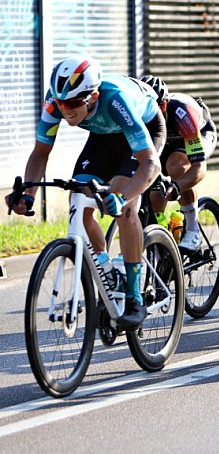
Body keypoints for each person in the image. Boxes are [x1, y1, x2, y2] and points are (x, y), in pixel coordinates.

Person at [5, 56, 165, 329]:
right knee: (79, 199)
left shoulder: (115, 100)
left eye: (73, 103)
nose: (65, 110)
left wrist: (123, 196)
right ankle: (106, 268)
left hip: (144, 130)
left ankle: (135, 297)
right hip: (104, 135)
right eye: (61, 103)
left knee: (125, 209)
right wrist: (28, 193)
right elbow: (41, 152)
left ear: (92, 97)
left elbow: (150, 163)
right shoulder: (56, 100)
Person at [140, 75, 217, 251]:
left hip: (199, 133)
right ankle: (162, 238)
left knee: (176, 166)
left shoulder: (182, 113)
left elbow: (198, 168)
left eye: (154, 109)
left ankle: (193, 230)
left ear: (164, 106)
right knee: (153, 188)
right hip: (166, 140)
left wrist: (177, 186)